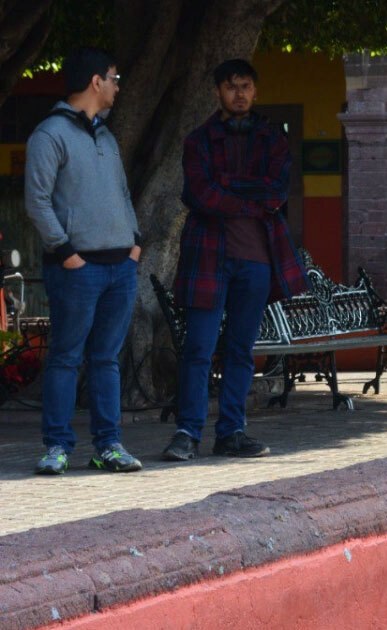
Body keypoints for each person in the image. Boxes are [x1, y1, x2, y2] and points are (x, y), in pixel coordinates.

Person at [162, 59, 308, 462]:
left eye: (245, 86)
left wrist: (227, 186)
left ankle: (231, 432)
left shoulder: (272, 140)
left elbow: (277, 192)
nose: (239, 93)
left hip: (257, 258)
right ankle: (187, 433)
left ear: (256, 91)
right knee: (198, 348)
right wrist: (250, 196)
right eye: (231, 87)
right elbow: (199, 195)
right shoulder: (199, 140)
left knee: (241, 350)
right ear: (217, 92)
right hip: (208, 256)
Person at [25, 47, 143, 475]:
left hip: (120, 268)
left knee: (106, 359)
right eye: (114, 78)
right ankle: (57, 447)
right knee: (66, 357)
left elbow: (124, 194)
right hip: (76, 268)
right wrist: (65, 251)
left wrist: (134, 244)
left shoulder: (107, 137)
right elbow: (37, 201)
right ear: (96, 81)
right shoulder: (49, 135)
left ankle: (108, 446)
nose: (116, 86)